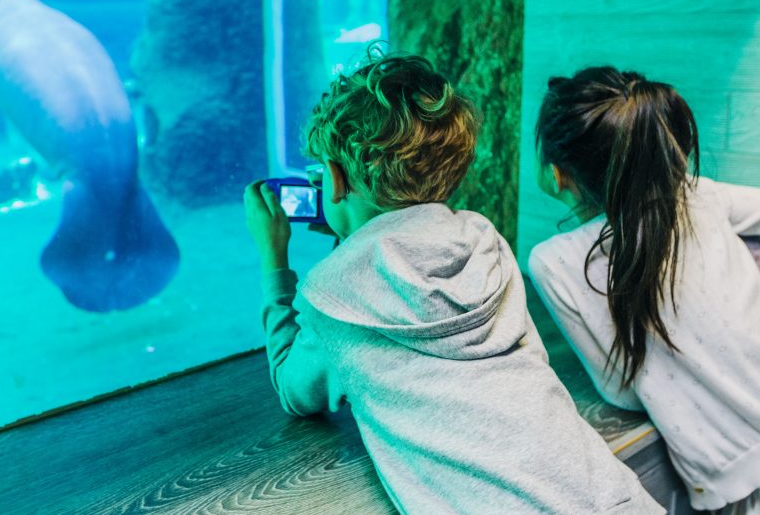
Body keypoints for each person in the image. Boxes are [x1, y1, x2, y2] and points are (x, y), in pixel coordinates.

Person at [243, 52, 661, 514]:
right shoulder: (487, 245)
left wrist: (273, 260)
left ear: (336, 179)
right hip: (614, 498)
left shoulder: (335, 302)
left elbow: (296, 391)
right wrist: (353, 237)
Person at [528, 66, 760, 513]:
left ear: (556, 173)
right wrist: (745, 279)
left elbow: (621, 391)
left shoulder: (554, 260)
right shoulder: (695, 196)